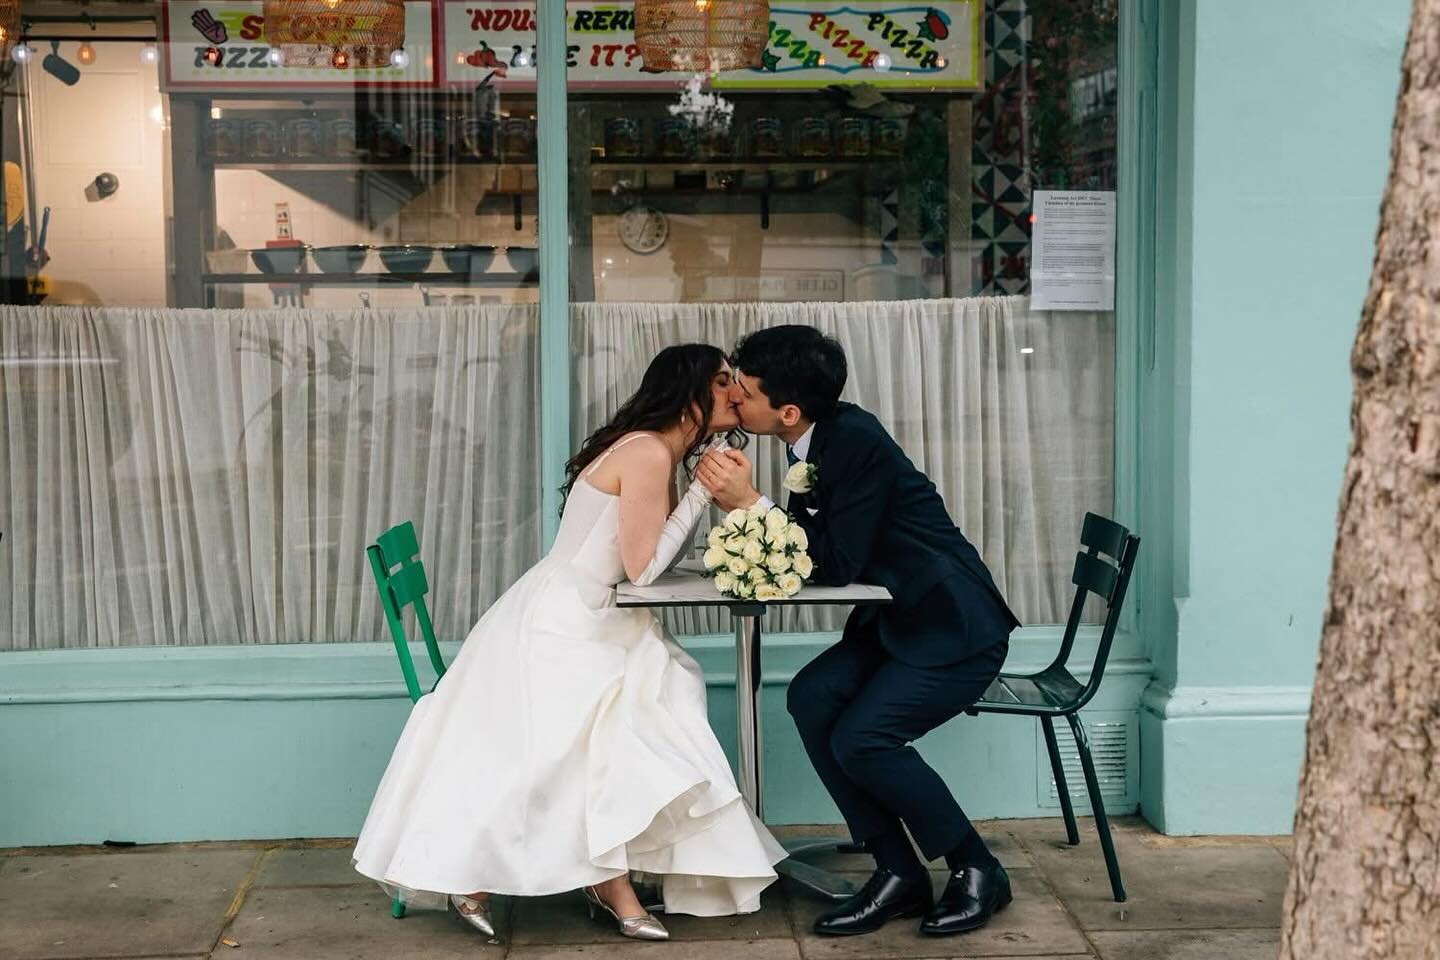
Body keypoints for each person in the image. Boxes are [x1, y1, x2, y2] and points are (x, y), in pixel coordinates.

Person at [354, 344, 785, 941]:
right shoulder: (648, 453)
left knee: (653, 701)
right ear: (686, 393)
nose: (734, 392)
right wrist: (700, 498)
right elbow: (641, 569)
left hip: (590, 613)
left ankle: (605, 879)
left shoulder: (657, 451)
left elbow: (641, 562)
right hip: (563, 623)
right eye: (720, 383)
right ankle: (581, 882)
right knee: (611, 720)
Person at [695, 325, 1021, 938]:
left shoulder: (854, 439)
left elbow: (835, 562)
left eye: (743, 389)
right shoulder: (809, 440)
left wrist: (752, 505)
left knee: (864, 740)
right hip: (896, 622)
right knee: (812, 696)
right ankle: (898, 871)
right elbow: (819, 552)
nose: (734, 396)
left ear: (787, 411)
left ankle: (978, 867)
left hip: (952, 629)